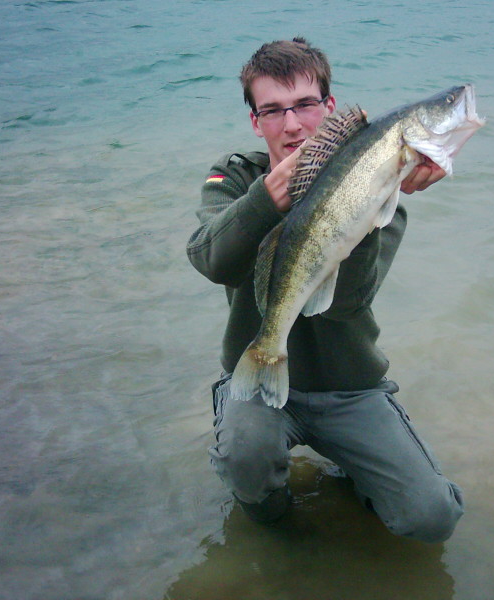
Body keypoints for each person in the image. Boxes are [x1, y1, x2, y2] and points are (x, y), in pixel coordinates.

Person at [186, 37, 463, 543]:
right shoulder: (234, 177)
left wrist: (370, 208)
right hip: (264, 383)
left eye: (305, 105)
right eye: (272, 111)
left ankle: (356, 479)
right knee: (245, 459)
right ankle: (273, 521)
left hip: (349, 384)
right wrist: (263, 201)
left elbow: (350, 303)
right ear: (255, 121)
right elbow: (210, 259)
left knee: (432, 517)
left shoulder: (383, 191)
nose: (291, 125)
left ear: (329, 107)